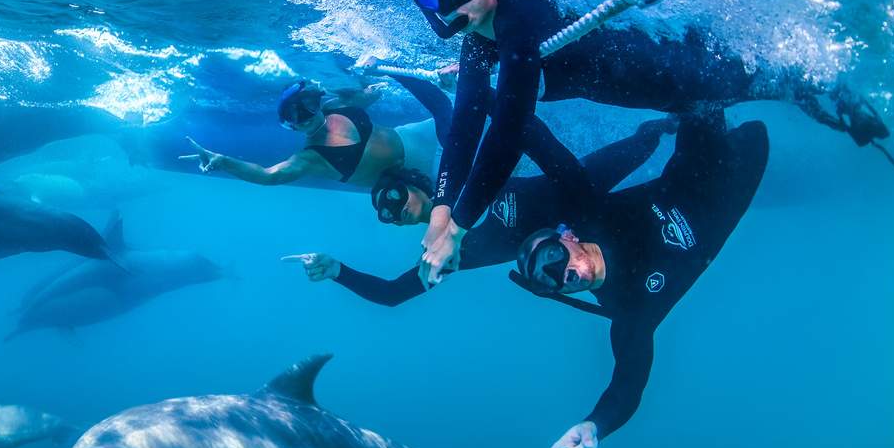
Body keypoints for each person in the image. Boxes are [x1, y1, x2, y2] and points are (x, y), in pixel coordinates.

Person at [291, 110, 769, 448]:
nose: (565, 275)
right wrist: (595, 425)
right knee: (737, 127)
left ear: (568, 240)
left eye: (557, 263)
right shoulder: (628, 309)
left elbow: (511, 128)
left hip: (625, 184)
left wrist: (494, 75)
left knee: (694, 99)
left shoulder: (579, 213)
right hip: (733, 178)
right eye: (551, 282)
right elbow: (628, 382)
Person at [408, 0, 889, 283]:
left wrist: (461, 225)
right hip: (654, 94)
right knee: (740, 93)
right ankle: (818, 96)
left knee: (761, 82)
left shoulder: (517, 13)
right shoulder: (479, 42)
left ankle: (830, 91)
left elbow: (510, 129)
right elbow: (467, 123)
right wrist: (442, 207)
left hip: (671, 73)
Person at [286, 115, 674, 304]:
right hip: (590, 237)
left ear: (416, 183)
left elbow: (473, 125)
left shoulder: (456, 180)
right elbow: (391, 294)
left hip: (575, 184)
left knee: (646, 142)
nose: (393, 211)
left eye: (393, 197)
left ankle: (681, 119)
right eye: (384, 214)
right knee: (664, 205)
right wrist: (337, 270)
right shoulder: (448, 255)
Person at [180, 77, 441, 189]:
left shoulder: (337, 105)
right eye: (295, 115)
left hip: (416, 136)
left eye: (309, 104)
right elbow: (268, 176)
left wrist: (355, 85)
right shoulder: (311, 158)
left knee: (472, 118)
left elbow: (374, 92)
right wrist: (224, 162)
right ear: (289, 125)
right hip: (418, 175)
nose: (306, 115)